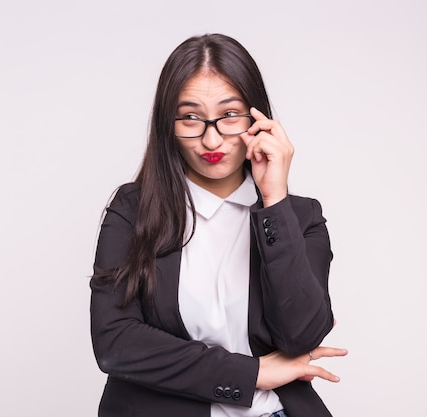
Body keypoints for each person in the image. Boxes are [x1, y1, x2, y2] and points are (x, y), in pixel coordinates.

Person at [89, 33, 347, 417]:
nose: (211, 139)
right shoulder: (133, 211)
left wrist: (274, 200)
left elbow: (301, 335)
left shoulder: (300, 217)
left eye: (229, 115)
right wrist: (253, 371)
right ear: (168, 125)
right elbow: (116, 342)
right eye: (191, 117)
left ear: (256, 119)